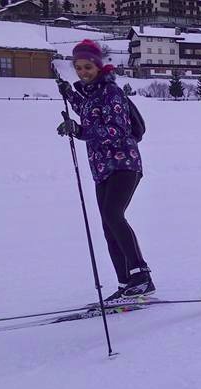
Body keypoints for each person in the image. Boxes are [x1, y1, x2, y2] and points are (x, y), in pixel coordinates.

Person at [56, 39, 154, 302]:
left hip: (124, 163)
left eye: (87, 67)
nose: (83, 72)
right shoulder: (90, 95)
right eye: (78, 68)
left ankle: (140, 275)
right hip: (102, 168)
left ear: (98, 66)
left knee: (113, 214)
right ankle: (126, 283)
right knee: (107, 224)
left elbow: (116, 130)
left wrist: (79, 130)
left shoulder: (111, 93)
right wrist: (69, 94)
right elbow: (88, 111)